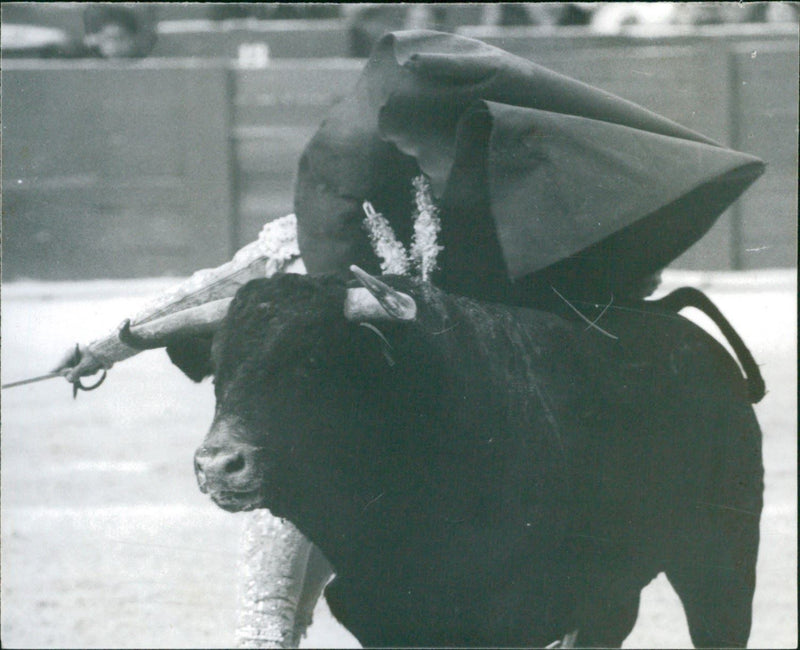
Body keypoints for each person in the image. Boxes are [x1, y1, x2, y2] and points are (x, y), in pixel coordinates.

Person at [51, 30, 764, 647]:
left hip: (445, 447)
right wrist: (113, 342)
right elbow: (220, 288)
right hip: (334, 446)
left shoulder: (481, 215)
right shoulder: (308, 244)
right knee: (271, 586)